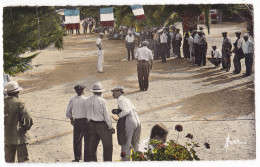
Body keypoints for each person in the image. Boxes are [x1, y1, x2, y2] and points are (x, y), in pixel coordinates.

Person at [4, 81, 33, 163]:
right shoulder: (20, 102)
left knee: (8, 161)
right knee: (23, 160)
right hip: (20, 138)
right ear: (17, 92)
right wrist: (26, 128)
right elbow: (28, 119)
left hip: (7, 138)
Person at [85, 82, 114, 161]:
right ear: (101, 92)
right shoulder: (102, 101)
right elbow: (106, 115)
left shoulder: (87, 100)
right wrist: (110, 126)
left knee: (92, 147)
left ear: (93, 91)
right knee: (107, 146)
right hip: (102, 125)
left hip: (91, 124)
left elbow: (86, 113)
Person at [111, 86, 141, 161]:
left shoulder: (120, 100)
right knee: (136, 144)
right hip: (137, 120)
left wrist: (117, 116)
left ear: (119, 91)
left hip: (130, 121)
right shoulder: (127, 99)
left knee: (126, 145)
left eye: (114, 91)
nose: (113, 93)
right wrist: (118, 110)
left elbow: (126, 111)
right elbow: (132, 109)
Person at [66, 84, 89, 162]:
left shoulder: (72, 99)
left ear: (76, 91)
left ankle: (77, 158)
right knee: (87, 140)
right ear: (83, 90)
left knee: (77, 140)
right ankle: (86, 158)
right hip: (85, 121)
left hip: (77, 121)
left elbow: (68, 111)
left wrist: (71, 119)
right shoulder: (87, 99)